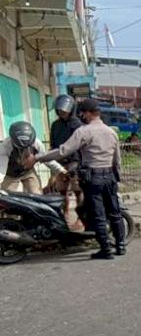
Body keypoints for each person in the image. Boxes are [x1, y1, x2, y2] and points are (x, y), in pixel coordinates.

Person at [26, 99, 126, 260]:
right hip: (110, 177)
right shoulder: (111, 132)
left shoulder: (84, 131)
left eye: (83, 113)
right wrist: (116, 178)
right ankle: (120, 246)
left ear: (88, 113)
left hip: (93, 178)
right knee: (115, 212)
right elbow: (117, 160)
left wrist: (38, 157)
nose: (81, 116)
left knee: (99, 214)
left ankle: (106, 250)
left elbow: (63, 150)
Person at [1, 121, 66, 193]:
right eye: (21, 148)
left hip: (28, 172)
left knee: (37, 194)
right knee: (7, 199)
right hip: (10, 175)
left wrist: (61, 170)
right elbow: (1, 170)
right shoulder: (5, 147)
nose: (24, 150)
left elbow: (47, 160)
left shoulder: (37, 144)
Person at [49, 94, 84, 223]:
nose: (61, 112)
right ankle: (64, 215)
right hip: (60, 162)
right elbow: (53, 145)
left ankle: (81, 214)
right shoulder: (55, 125)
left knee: (77, 189)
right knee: (61, 189)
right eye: (59, 110)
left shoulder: (77, 125)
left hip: (74, 162)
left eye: (64, 110)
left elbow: (80, 146)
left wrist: (77, 163)